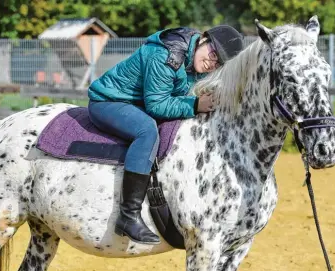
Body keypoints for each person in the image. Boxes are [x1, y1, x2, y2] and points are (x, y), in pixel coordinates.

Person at [87, 25, 244, 245]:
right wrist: (197, 104)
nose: (212, 63)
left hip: (136, 103)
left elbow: (177, 94)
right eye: (213, 53)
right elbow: (157, 104)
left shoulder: (192, 60)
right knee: (146, 131)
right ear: (203, 39)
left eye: (218, 63)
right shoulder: (166, 55)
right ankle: (128, 216)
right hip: (108, 101)